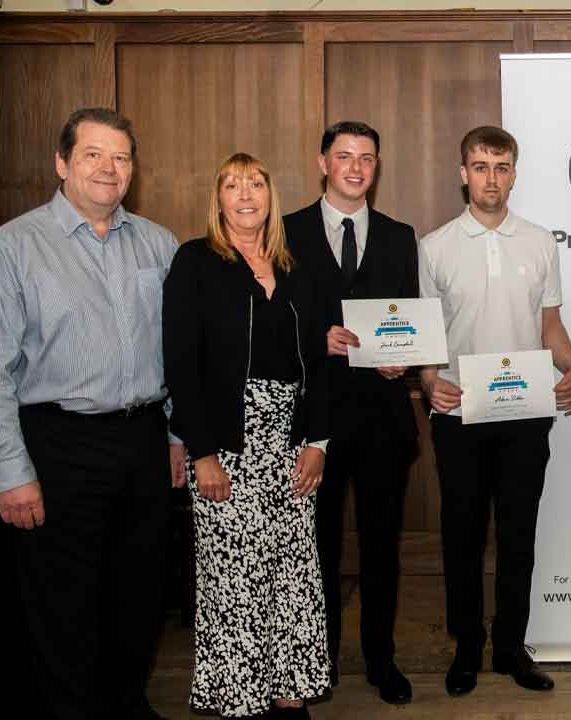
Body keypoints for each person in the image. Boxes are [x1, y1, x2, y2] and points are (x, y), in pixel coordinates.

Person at [0, 107, 180, 720]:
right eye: (93, 154)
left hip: (142, 439)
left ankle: (126, 705)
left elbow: (179, 350)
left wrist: (174, 435)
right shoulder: (11, 247)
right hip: (56, 443)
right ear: (61, 163)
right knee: (63, 602)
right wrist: (10, 471)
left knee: (137, 594)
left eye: (121, 157)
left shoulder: (159, 243)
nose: (109, 168)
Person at [418, 125, 571, 697]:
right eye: (481, 166)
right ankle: (465, 649)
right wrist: (425, 381)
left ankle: (511, 650)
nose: (492, 177)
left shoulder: (540, 241)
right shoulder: (434, 246)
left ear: (514, 173)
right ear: (463, 173)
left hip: (525, 410)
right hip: (460, 411)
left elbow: (551, 325)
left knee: (519, 535)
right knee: (462, 534)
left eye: (501, 166)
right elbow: (423, 335)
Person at [164, 153, 331, 719]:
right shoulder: (195, 261)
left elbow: (320, 361)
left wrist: (317, 441)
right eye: (232, 184)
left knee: (292, 573)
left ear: (270, 195)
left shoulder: (295, 266)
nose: (245, 193)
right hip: (225, 445)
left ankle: (289, 694)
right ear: (218, 198)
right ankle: (241, 697)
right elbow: (180, 363)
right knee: (235, 580)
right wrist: (202, 452)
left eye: (255, 183)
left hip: (290, 441)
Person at [285, 121, 419, 705]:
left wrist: (403, 360)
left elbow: (407, 319)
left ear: (377, 166)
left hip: (383, 418)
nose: (356, 167)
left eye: (367, 157)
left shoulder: (398, 235)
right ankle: (317, 659)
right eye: (345, 156)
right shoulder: (284, 231)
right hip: (311, 420)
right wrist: (319, 339)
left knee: (381, 546)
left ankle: (380, 660)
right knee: (314, 547)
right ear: (323, 163)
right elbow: (271, 323)